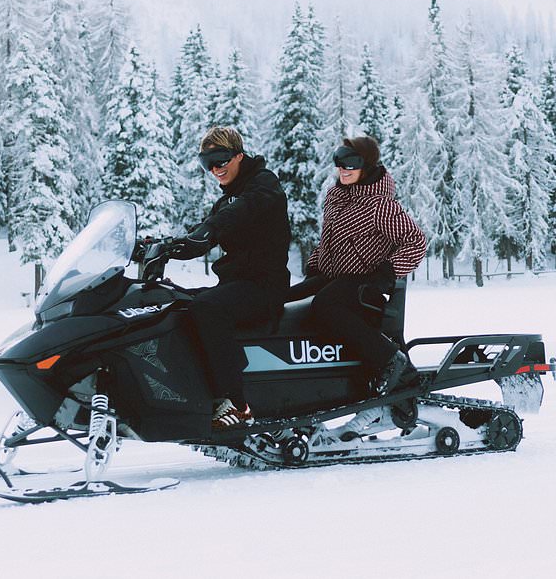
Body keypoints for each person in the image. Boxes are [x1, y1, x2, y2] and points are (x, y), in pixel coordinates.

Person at [167, 126, 291, 430]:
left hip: (265, 286)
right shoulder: (227, 200)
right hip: (238, 285)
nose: (214, 169)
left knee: (207, 308)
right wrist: (166, 247)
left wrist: (209, 230)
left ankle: (237, 403)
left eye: (220, 160)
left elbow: (237, 215)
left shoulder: (264, 184)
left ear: (239, 156)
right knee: (175, 300)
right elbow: (207, 233)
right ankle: (195, 394)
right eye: (206, 163)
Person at [292, 135, 427, 401]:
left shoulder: (380, 205)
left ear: (366, 166)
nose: (343, 168)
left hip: (365, 282)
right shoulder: (336, 197)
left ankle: (390, 359)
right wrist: (315, 266)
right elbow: (328, 239)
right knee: (289, 299)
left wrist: (386, 274)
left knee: (325, 305)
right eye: (339, 160)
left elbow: (416, 241)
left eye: (351, 162)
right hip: (332, 277)